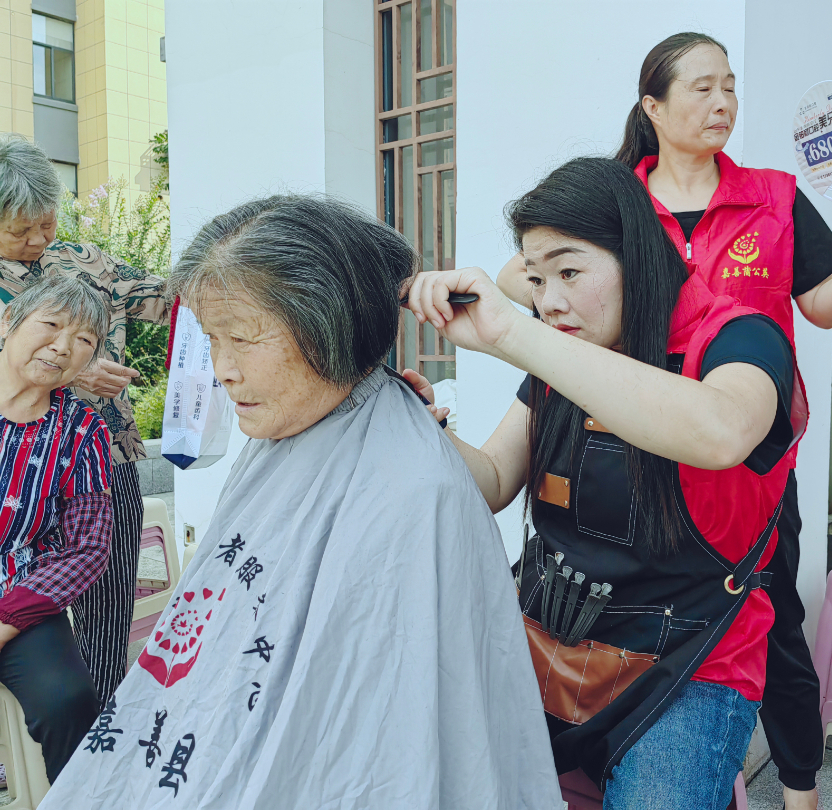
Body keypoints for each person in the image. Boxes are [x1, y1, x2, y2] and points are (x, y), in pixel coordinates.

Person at [39, 195, 562, 810]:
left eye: (242, 339)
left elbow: (376, 751)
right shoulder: (288, 430)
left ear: (330, 327)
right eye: (212, 339)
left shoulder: (414, 494)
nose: (223, 370)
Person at [497, 34, 832, 810]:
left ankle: (800, 786)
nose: (723, 104)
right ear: (652, 106)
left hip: (738, 449)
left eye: (730, 87)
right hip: (617, 452)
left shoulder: (774, 198)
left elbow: (818, 308)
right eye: (703, 88)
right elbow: (527, 275)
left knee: (770, 617)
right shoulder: (618, 199)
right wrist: (557, 301)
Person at [406, 157, 801, 809]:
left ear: (637, 256)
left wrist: (514, 333)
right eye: (536, 279)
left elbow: (722, 430)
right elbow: (495, 479)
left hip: (688, 664)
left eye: (569, 272)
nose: (550, 301)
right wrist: (426, 431)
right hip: (551, 642)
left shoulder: (740, 340)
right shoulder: (564, 353)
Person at [0, 133, 172, 708]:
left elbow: (168, 299)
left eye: (45, 223)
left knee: (106, 600)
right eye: (19, 230)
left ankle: (97, 727)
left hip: (100, 460)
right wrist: (71, 374)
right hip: (12, 468)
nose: (37, 240)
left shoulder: (83, 261)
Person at [0, 276, 113, 782]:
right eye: (50, 324)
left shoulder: (83, 429)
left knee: (69, 701)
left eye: (84, 339)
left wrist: (7, 619)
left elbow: (88, 548)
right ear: (9, 321)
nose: (63, 346)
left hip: (20, 596)